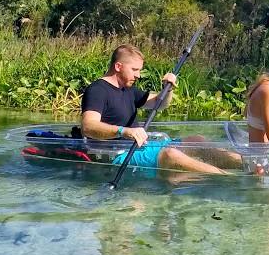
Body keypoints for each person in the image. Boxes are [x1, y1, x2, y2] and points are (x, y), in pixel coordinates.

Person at [81, 44, 229, 175]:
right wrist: (124, 131)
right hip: (117, 154)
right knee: (171, 155)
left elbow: (160, 103)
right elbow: (88, 127)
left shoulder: (128, 89)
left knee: (197, 141)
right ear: (118, 66)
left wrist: (168, 88)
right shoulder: (97, 90)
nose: (138, 75)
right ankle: (229, 179)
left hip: (140, 146)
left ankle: (247, 163)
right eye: (134, 70)